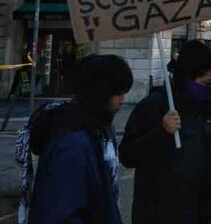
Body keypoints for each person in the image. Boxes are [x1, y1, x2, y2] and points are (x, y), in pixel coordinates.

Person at [120, 40, 211, 223]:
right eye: (207, 83)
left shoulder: (208, 108)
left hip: (200, 213)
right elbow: (128, 155)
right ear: (187, 77)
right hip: (161, 214)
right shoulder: (156, 105)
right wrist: (162, 132)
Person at [23, 55, 132, 224]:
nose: (123, 100)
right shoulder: (72, 143)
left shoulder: (95, 130)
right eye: (117, 93)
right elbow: (63, 211)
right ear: (100, 93)